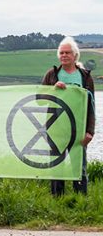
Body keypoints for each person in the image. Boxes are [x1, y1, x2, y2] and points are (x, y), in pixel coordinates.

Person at [41, 36, 96, 196]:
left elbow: (91, 106)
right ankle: (57, 203)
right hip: (56, 130)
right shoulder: (51, 74)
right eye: (61, 53)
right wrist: (52, 89)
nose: (64, 55)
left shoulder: (85, 77)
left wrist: (90, 131)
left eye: (67, 53)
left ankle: (80, 204)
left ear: (75, 55)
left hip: (78, 131)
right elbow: (39, 101)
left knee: (79, 168)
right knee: (56, 169)